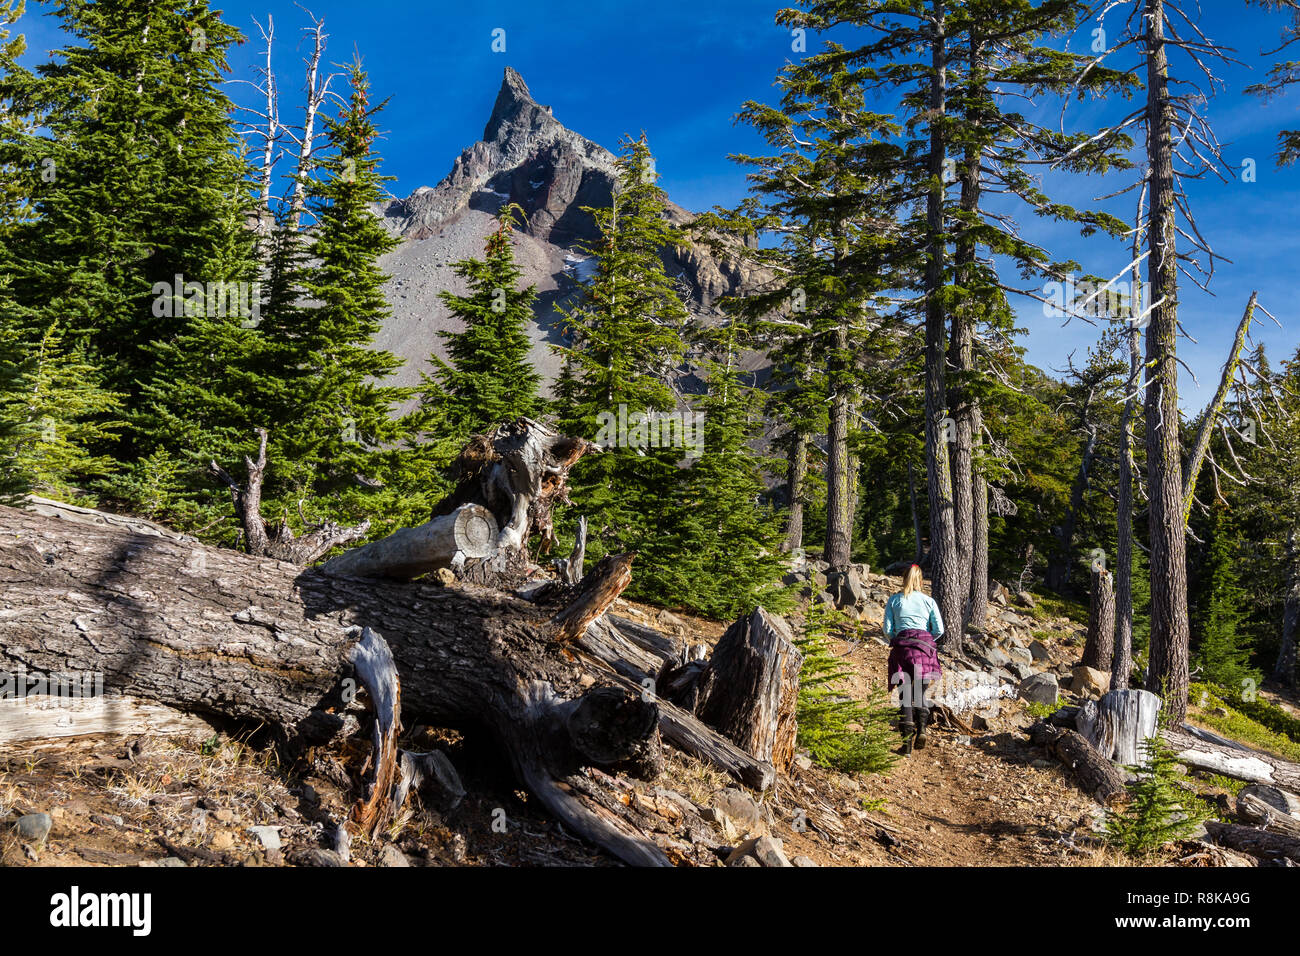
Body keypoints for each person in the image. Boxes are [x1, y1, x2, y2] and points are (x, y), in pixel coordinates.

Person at [882, 564, 944, 755]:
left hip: (902, 649)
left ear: (904, 578)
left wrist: (897, 636)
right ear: (920, 580)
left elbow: (887, 629)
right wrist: (926, 640)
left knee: (905, 696)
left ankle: (907, 747)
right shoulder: (929, 601)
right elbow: (939, 629)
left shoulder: (894, 600)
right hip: (924, 649)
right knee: (920, 693)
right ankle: (923, 729)